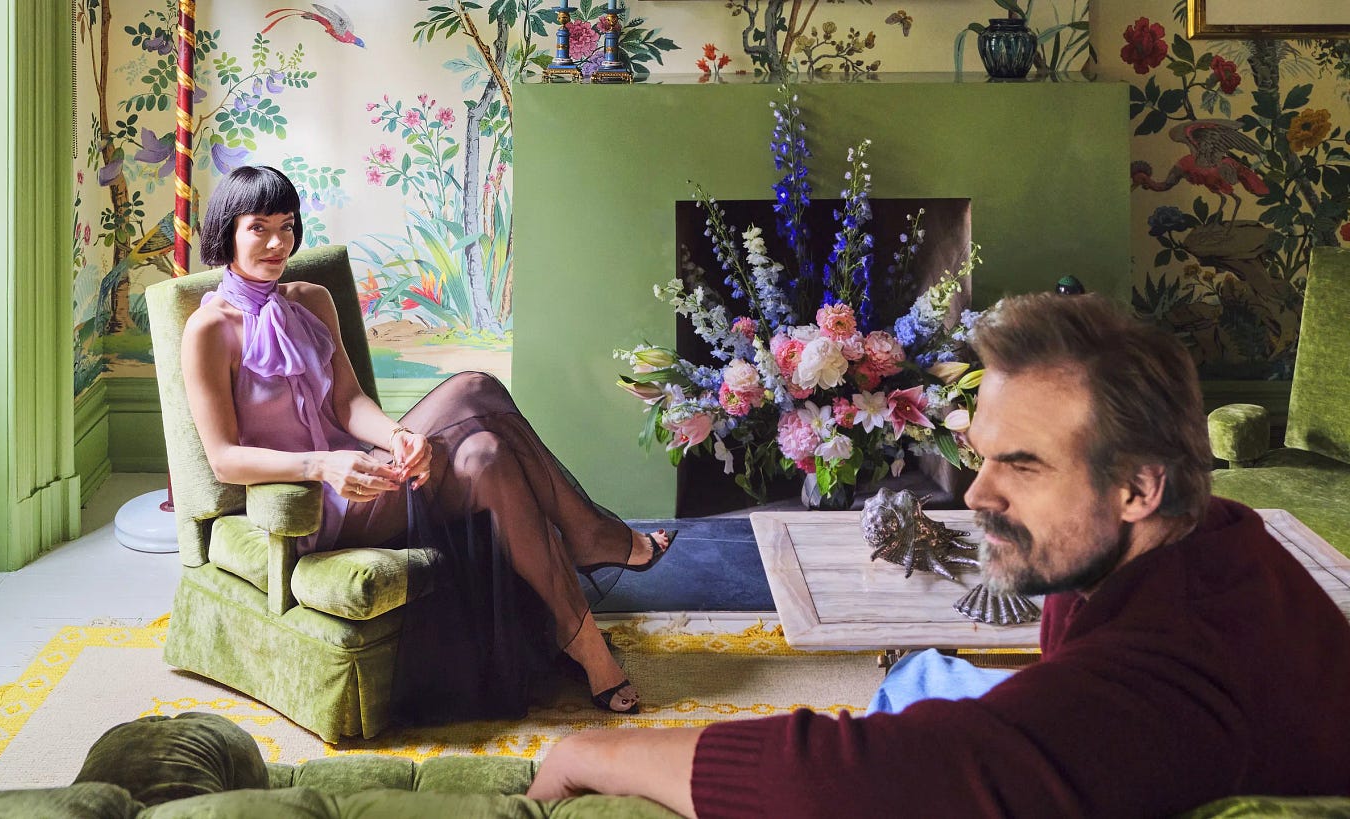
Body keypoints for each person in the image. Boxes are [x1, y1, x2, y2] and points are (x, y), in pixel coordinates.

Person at [527, 292, 1350, 817]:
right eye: (982, 455)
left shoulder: (1166, 670)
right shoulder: (1202, 537)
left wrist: (594, 750)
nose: (977, 494)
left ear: (1138, 487)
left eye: (1022, 465)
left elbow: (857, 782)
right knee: (925, 682)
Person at [182, 165, 674, 720]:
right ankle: (590, 535)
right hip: (313, 501)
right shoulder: (208, 330)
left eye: (287, 226)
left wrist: (399, 436)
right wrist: (323, 466)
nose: (278, 243)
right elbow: (223, 459)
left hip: (366, 471)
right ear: (228, 231)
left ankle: (583, 642)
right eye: (259, 228)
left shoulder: (312, 300)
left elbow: (348, 403)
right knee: (476, 388)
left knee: (486, 455)